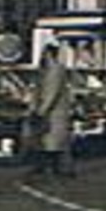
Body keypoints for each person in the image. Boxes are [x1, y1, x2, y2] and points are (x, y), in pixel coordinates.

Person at [28, 43, 74, 178]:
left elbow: (51, 93)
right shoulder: (45, 70)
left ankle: (58, 169)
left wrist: (42, 110)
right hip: (48, 112)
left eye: (44, 53)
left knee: (53, 142)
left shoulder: (55, 70)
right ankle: (51, 168)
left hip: (54, 113)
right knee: (46, 141)